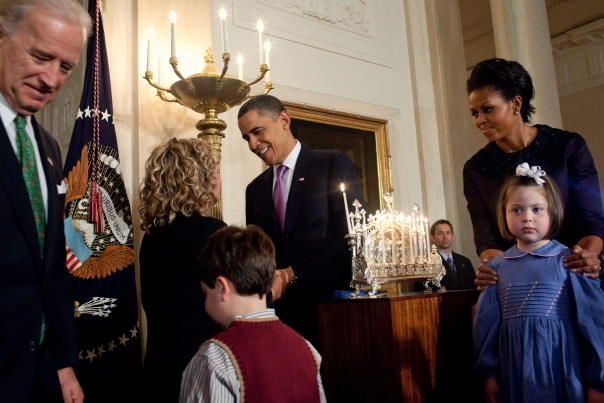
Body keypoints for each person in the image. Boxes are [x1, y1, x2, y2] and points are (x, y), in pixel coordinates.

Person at [0, 1, 91, 402]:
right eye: (40, 56)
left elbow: (52, 267)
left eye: (65, 67)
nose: (52, 79)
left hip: (37, 375)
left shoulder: (50, 149)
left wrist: (62, 361)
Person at [463, 58, 604, 290]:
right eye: (475, 113)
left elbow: (591, 220)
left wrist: (586, 257)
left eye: (488, 109)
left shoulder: (568, 146)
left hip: (577, 273)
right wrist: (493, 267)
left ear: (516, 103)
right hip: (518, 282)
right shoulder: (475, 169)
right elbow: (487, 238)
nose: (480, 121)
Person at [473, 163, 604, 403]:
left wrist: (599, 382)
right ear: (503, 213)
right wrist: (488, 374)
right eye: (516, 210)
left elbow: (593, 323)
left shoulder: (570, 261)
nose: (527, 218)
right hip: (514, 370)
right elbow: (486, 325)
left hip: (562, 366)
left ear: (552, 212)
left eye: (536, 209)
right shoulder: (496, 268)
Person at [240, 94, 364, 349]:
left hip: (328, 317)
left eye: (257, 132)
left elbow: (351, 243)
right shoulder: (255, 189)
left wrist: (290, 275)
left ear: (284, 120)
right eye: (246, 138)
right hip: (277, 323)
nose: (253, 144)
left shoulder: (331, 164)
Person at [180, 224, 327, 403]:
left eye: (205, 293)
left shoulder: (213, 360)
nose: (205, 301)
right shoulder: (308, 350)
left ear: (222, 287)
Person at [138, 138, 225, 402]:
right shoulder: (215, 232)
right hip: (204, 371)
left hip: (158, 371)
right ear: (200, 178)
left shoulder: (150, 238)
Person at [429, 219, 475, 290]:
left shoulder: (465, 261)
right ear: (433, 238)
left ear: (452, 236)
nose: (445, 237)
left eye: (448, 233)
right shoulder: (428, 264)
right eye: (440, 233)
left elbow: (474, 288)